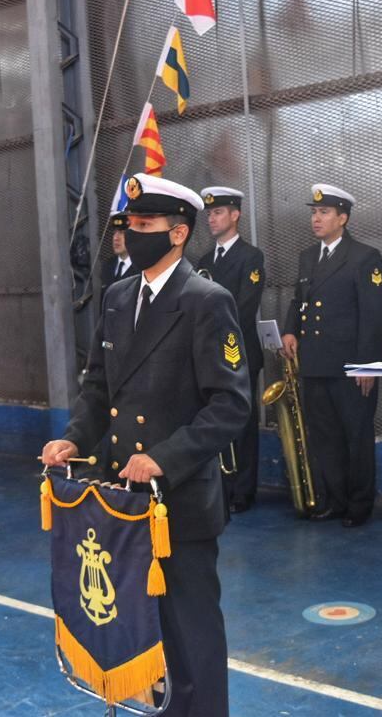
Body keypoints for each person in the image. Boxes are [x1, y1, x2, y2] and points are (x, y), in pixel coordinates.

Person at [41, 173, 251, 717]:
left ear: (178, 234)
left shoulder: (207, 301)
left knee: (190, 631)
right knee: (144, 629)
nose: (131, 235)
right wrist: (71, 440)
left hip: (176, 500)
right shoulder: (115, 298)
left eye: (144, 225)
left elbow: (230, 405)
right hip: (123, 501)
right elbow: (97, 387)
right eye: (128, 225)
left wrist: (163, 456)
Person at [280, 185, 382, 527]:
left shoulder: (364, 257)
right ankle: (334, 500)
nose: (316, 218)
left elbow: (374, 316)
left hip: (350, 365)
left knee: (355, 436)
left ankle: (359, 505)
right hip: (315, 363)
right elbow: (300, 300)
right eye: (314, 212)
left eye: (324, 212)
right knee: (325, 436)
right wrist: (289, 330)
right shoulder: (308, 257)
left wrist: (367, 365)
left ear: (343, 218)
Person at [196, 186, 265, 513]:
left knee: (243, 423)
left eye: (218, 212)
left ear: (235, 215)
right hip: (209, 356)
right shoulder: (204, 261)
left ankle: (243, 491)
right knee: (215, 421)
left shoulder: (251, 258)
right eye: (209, 213)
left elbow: (244, 308)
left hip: (239, 354)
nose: (211, 218)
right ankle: (221, 486)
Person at [100, 210, 141, 301]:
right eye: (114, 232)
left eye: (122, 232)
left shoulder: (142, 267)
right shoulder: (107, 265)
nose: (116, 238)